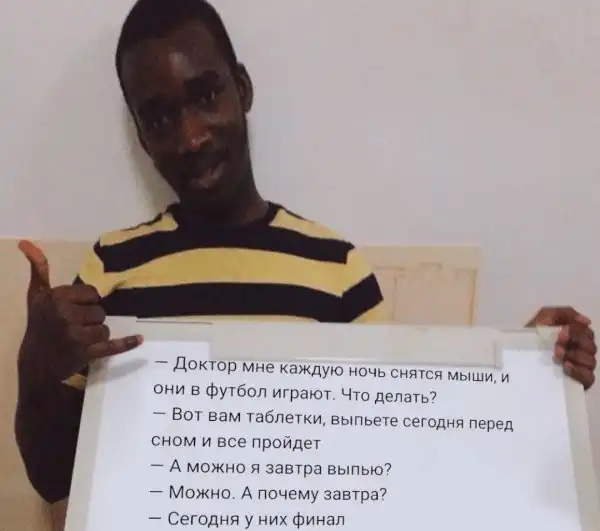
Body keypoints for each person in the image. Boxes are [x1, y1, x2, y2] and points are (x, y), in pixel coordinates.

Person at [14, 0, 597, 511]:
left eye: (206, 96)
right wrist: (37, 365)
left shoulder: (337, 270)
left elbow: (404, 450)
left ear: (243, 90)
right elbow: (52, 478)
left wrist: (530, 374)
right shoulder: (110, 268)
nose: (191, 137)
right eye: (160, 118)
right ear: (142, 137)